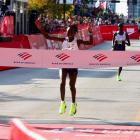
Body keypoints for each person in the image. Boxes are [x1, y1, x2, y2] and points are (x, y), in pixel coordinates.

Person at [35, 19, 93, 116]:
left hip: (74, 66)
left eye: (70, 31)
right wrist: (41, 28)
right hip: (64, 65)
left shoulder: (77, 41)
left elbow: (90, 43)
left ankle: (74, 104)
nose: (68, 33)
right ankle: (62, 103)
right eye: (67, 31)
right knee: (62, 83)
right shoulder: (63, 40)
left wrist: (90, 33)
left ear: (74, 33)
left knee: (71, 86)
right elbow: (47, 37)